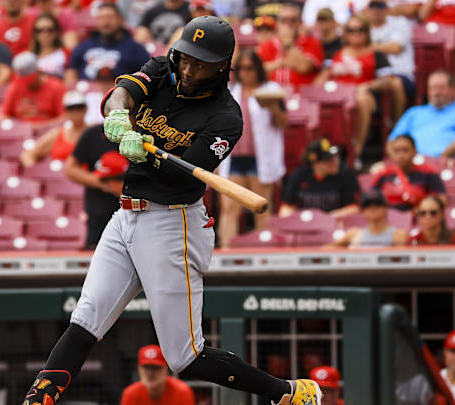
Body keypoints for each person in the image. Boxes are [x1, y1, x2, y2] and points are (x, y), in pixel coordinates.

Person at [20, 16, 322, 405]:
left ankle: (287, 393)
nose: (190, 69)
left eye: (202, 63)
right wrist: (117, 115)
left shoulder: (225, 117)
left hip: (172, 220)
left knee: (184, 357)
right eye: (187, 58)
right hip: (125, 215)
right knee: (85, 318)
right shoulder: (163, 68)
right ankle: (37, 399)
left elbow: (182, 178)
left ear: (221, 67)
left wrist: (145, 150)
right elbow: (123, 92)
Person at [219, 50, 285, 246]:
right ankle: (227, 250)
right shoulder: (229, 91)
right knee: (229, 208)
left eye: (250, 68)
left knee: (261, 206)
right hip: (234, 158)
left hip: (261, 158)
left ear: (258, 69)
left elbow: (283, 123)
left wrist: (272, 106)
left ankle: (263, 250)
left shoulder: (271, 89)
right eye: (241, 68)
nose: (246, 73)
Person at [315, 15, 395, 158]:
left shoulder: (376, 54)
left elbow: (388, 81)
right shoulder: (335, 54)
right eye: (351, 30)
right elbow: (321, 79)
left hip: (364, 95)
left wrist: (367, 86)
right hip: (336, 97)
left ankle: (356, 150)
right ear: (345, 33)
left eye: (361, 30)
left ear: (367, 32)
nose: (356, 33)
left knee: (360, 99)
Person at [388, 70, 455, 158]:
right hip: (413, 166)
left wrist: (440, 158)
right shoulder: (414, 112)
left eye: (441, 88)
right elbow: (391, 141)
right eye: (433, 88)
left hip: (451, 165)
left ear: (454, 90)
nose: (436, 93)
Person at [64, 124, 125, 249]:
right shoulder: (93, 133)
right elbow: (70, 168)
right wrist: (100, 183)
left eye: (105, 179)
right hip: (98, 216)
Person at [64, 2, 150, 85]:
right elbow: (71, 71)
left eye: (110, 17)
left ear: (121, 20)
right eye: (101, 18)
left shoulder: (135, 49)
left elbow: (146, 77)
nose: (106, 22)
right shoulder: (84, 46)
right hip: (87, 94)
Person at [279, 138, 360, 218]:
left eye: (336, 156)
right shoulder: (299, 175)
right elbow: (286, 208)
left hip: (336, 223)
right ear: (315, 162)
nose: (335, 161)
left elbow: (354, 208)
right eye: (328, 159)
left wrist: (326, 218)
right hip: (306, 223)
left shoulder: (346, 174)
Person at [366, 0, 413, 121]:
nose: (376, 10)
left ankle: (397, 125)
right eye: (373, 6)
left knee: (395, 83)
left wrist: (367, 47)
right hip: (372, 74)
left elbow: (395, 48)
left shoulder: (399, 22)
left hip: (400, 71)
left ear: (387, 7)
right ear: (367, 9)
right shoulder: (363, 27)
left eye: (380, 5)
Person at [258, 3, 323, 90]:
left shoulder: (312, 42)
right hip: (271, 95)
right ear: (277, 23)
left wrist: (288, 43)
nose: (288, 24)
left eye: (293, 20)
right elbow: (258, 71)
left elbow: (304, 67)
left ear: (300, 23)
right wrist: (282, 63)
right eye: (284, 20)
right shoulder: (267, 45)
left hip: (301, 95)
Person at [372, 134, 446, 210]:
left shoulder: (428, 173)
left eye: (405, 150)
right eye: (396, 151)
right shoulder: (383, 175)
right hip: (388, 218)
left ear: (414, 151)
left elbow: (442, 199)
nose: (401, 155)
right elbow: (371, 201)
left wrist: (423, 207)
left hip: (419, 218)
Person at [20, 91, 88, 167]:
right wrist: (36, 172)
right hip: (56, 176)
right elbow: (28, 154)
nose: (76, 112)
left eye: (79, 107)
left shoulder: (95, 133)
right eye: (71, 108)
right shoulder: (57, 134)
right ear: (65, 111)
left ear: (86, 109)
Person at [1, 52, 66, 123]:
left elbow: (64, 118)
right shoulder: (14, 87)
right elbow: (4, 116)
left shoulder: (57, 87)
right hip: (20, 131)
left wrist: (40, 128)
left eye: (28, 79)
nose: (25, 84)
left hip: (48, 131)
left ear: (38, 72)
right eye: (22, 80)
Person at [328, 190, 408, 247]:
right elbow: (326, 251)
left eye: (377, 204)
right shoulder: (353, 234)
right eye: (367, 206)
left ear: (386, 208)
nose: (373, 208)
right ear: (362, 211)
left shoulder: (398, 235)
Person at [120, 345, 195, 405]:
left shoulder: (181, 392)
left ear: (166, 369)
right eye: (146, 368)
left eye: (156, 368)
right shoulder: (131, 394)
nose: (150, 373)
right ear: (139, 369)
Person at [30, 14, 70, 78]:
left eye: (50, 30)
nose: (45, 34)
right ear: (35, 34)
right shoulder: (29, 57)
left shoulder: (66, 54)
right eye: (40, 30)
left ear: (56, 32)